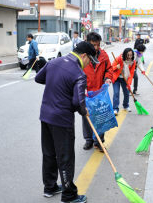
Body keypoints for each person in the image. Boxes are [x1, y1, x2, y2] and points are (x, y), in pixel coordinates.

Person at [35, 41, 99, 203]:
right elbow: (78, 102)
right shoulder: (78, 73)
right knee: (65, 157)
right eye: (90, 61)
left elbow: (38, 78)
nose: (89, 65)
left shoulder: (53, 62)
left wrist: (56, 83)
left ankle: (49, 187)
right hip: (62, 120)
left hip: (46, 116)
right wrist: (84, 111)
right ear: (84, 55)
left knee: (49, 153)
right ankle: (69, 195)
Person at [82, 32, 113, 152]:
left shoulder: (104, 56)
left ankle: (99, 141)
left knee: (101, 116)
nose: (95, 48)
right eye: (93, 45)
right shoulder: (83, 56)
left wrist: (108, 78)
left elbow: (109, 69)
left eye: (97, 45)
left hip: (100, 92)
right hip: (86, 92)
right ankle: (89, 140)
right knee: (87, 116)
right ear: (87, 43)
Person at [112, 48, 136, 115]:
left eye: (131, 55)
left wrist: (129, 83)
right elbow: (111, 68)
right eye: (128, 55)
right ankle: (115, 109)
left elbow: (131, 73)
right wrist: (116, 67)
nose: (129, 57)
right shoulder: (119, 59)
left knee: (126, 92)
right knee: (116, 93)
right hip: (116, 78)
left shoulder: (132, 62)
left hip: (125, 78)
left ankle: (126, 106)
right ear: (125, 54)